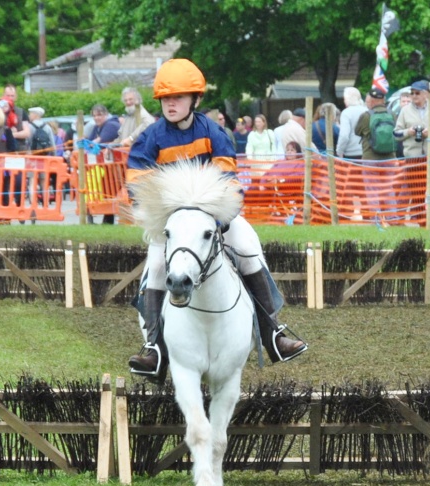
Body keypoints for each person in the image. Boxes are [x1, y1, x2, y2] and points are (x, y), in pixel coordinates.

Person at [126, 58, 307, 380]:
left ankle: (273, 334)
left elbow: (228, 183)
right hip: (171, 223)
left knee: (249, 248)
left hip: (214, 218)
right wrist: (164, 215)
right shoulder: (149, 137)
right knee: (155, 267)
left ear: (195, 99)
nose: (171, 103)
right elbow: (137, 185)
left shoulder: (215, 133)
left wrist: (216, 218)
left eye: (178, 97)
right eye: (166, 98)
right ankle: (154, 348)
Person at [394, 80, 430, 158]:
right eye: (412, 93)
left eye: (417, 93)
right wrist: (408, 132)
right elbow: (396, 133)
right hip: (412, 158)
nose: (414, 96)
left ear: (425, 94)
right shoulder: (405, 110)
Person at [355, 87, 397, 161]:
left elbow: (357, 131)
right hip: (390, 158)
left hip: (370, 158)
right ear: (384, 101)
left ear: (371, 102)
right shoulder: (392, 114)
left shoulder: (366, 115)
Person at [336, 87, 366, 159]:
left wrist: (339, 151)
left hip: (351, 153)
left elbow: (344, 136)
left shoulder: (346, 113)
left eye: (344, 99)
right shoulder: (367, 110)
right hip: (367, 151)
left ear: (347, 99)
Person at [2, 83, 32, 152]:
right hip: (2, 149)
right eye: (8, 96)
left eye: (12, 96)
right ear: (3, 96)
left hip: (18, 150)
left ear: (16, 97)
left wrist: (12, 135)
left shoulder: (21, 112)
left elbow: (27, 133)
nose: (10, 98)